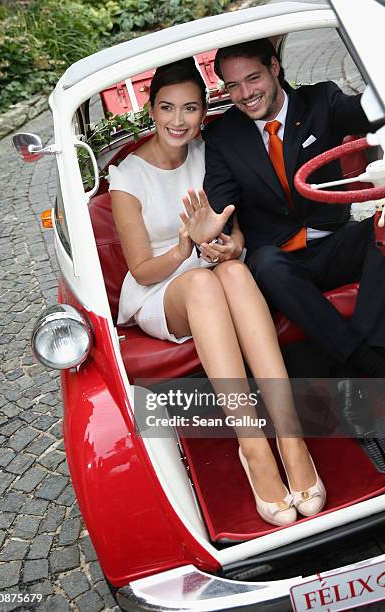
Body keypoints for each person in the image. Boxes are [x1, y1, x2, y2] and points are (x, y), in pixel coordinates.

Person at [109, 58, 325, 527]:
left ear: (203, 110)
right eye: (167, 108)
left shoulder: (211, 152)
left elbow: (239, 236)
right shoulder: (127, 176)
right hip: (161, 288)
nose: (178, 120)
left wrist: (228, 246)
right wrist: (187, 244)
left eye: (190, 108)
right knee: (206, 284)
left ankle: (290, 437)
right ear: (150, 109)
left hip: (213, 266)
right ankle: (253, 447)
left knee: (236, 274)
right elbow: (143, 270)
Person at [181, 39, 385, 385]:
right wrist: (222, 240)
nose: (245, 93)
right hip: (277, 264)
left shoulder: (321, 100)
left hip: (332, 244)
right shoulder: (224, 135)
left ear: (274, 68)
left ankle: (367, 355)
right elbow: (221, 203)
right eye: (233, 85)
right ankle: (366, 361)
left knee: (383, 226)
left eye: (253, 78)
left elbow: (371, 109)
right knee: (265, 262)